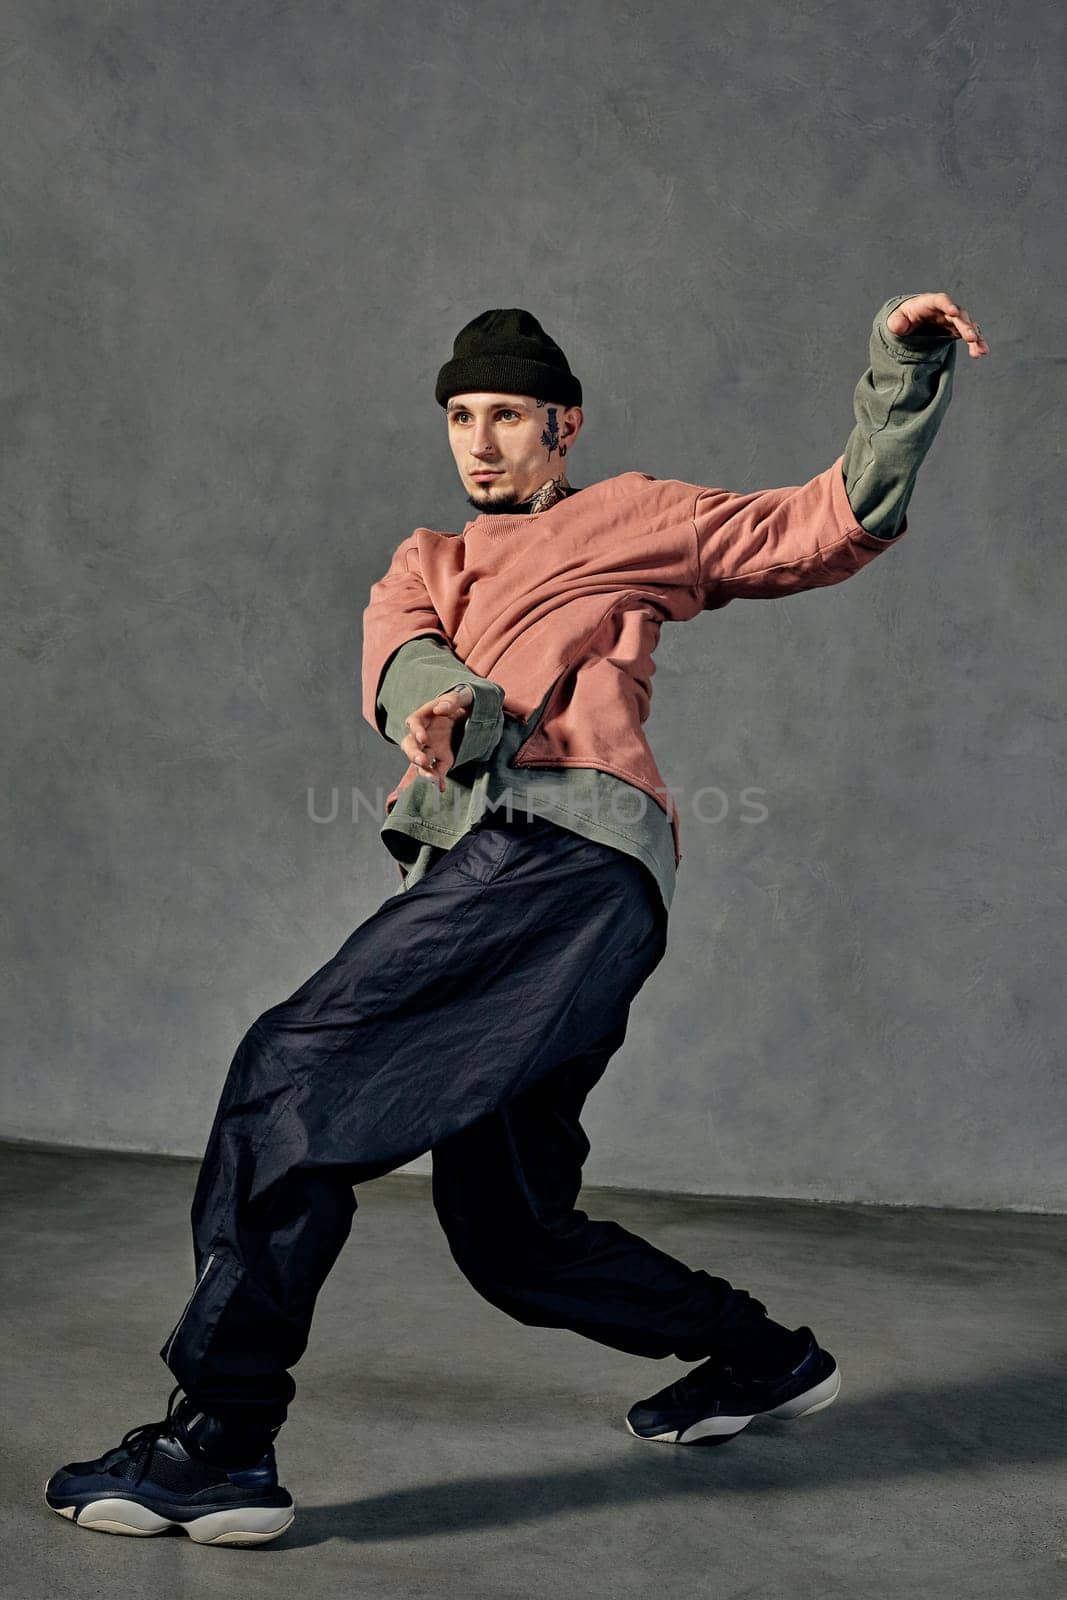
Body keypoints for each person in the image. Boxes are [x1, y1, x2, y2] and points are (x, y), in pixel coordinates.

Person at [45, 293, 989, 1545]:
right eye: (459, 415)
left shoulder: (635, 516)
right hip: (522, 878)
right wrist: (443, 710)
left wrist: (900, 363)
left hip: (561, 846)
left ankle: (218, 1440)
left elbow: (826, 520)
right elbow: (404, 661)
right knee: (511, 1233)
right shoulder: (422, 558)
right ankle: (761, 1357)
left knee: (292, 1072)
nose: (479, 440)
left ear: (564, 426)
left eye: (505, 415)